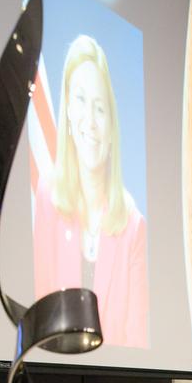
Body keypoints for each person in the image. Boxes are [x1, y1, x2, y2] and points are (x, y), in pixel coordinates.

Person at [33, 35, 148, 347]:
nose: (90, 120)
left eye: (100, 107)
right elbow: (39, 316)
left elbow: (137, 340)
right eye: (80, 100)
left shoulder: (134, 227)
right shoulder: (48, 196)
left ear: (111, 124)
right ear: (68, 111)